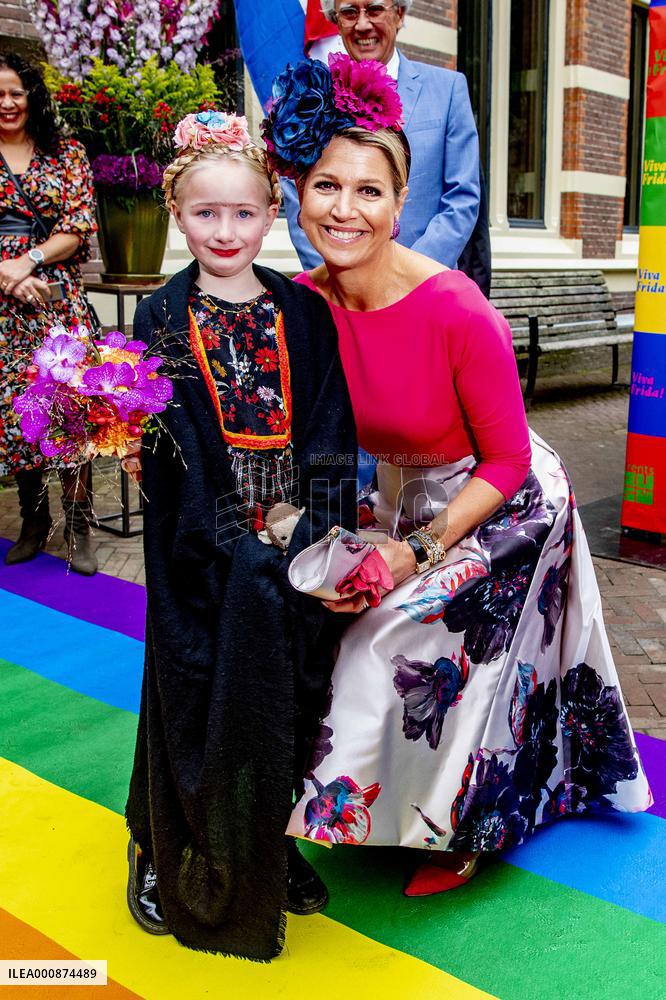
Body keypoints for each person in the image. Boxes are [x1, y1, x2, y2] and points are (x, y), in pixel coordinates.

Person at [262, 56, 652, 895]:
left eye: (370, 191)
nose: (345, 208)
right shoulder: (301, 303)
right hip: (402, 492)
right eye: (327, 185)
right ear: (300, 193)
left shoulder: (456, 308)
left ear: (402, 205)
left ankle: (471, 819)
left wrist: (422, 549)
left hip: (505, 496)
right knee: (313, 612)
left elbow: (510, 459)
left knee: (397, 631)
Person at [122, 110, 358, 960]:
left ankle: (272, 838)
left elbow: (331, 426)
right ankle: (161, 841)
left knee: (292, 695)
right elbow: (177, 444)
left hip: (293, 539)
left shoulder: (303, 312)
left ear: (273, 213)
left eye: (245, 212)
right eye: (205, 212)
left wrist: (316, 530)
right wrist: (238, 538)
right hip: (200, 544)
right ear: (177, 213)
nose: (226, 231)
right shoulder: (160, 316)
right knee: (192, 691)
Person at [282, 0, 485, 284]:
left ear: (399, 14)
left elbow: (462, 198)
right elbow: (296, 196)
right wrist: (339, 277)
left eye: (375, 10)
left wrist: (406, 277)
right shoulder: (312, 97)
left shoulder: (448, 90)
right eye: (350, 12)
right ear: (336, 21)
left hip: (425, 287)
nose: (363, 24)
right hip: (340, 296)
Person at [0, 51, 98, 575]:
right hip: (2, 309)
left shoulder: (67, 154)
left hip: (57, 298)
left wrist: (29, 260)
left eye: (16, 91)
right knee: (17, 413)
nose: (7, 102)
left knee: (69, 409)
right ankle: (34, 522)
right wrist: (8, 275)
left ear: (32, 95)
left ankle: (79, 525)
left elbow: (79, 223)